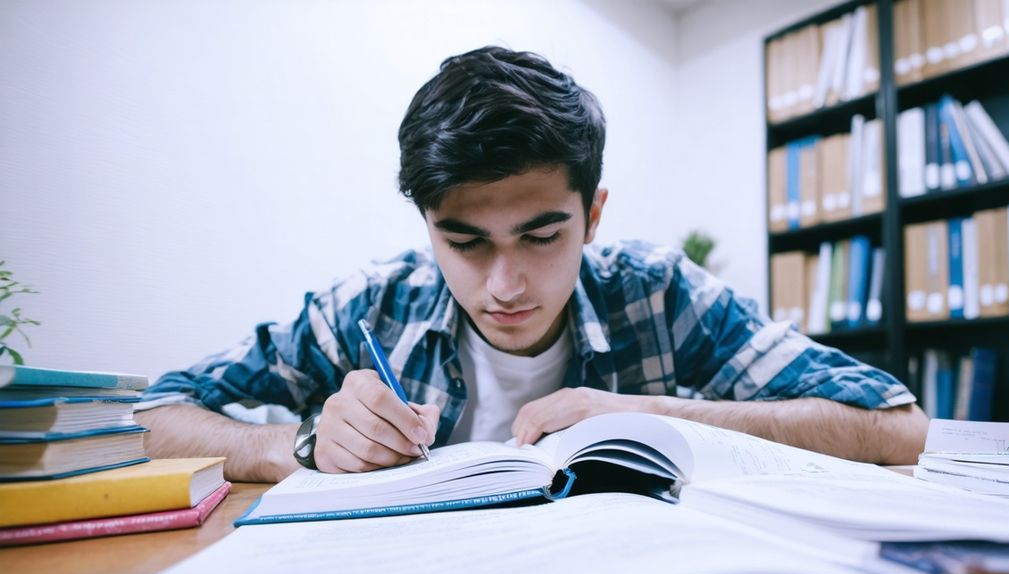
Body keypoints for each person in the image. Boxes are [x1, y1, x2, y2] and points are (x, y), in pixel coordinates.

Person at [136, 46, 928, 483]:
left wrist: (658, 418)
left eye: (543, 236)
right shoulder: (373, 305)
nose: (505, 286)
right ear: (427, 226)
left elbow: (897, 428)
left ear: (594, 214)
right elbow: (153, 415)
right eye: (465, 242)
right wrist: (300, 446)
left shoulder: (658, 292)